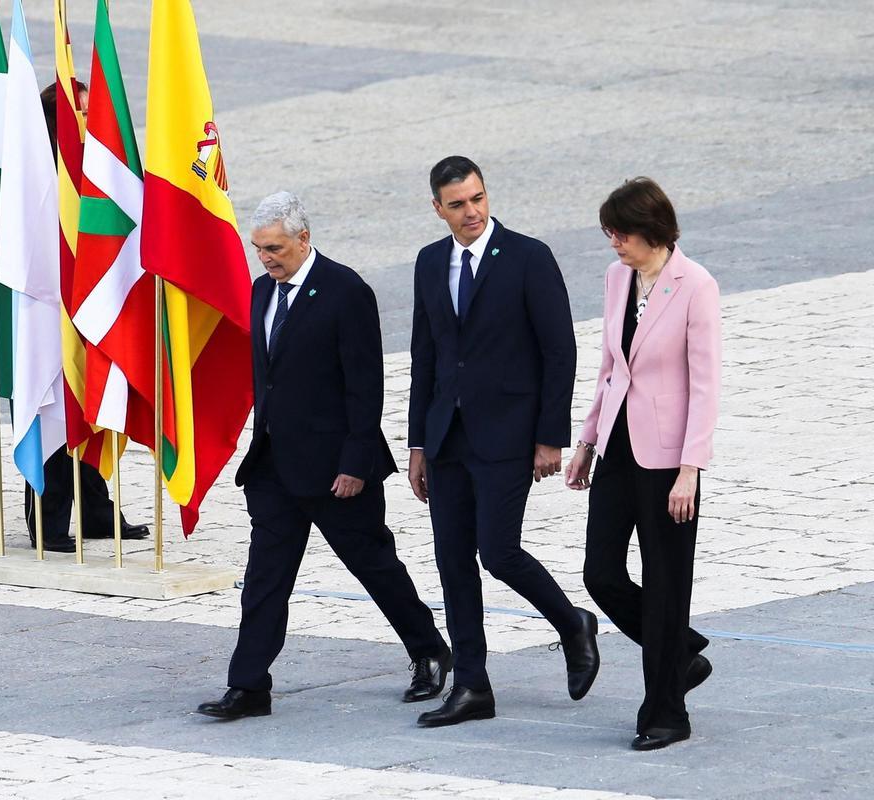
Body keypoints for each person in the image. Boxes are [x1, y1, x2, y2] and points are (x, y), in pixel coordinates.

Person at [197, 192, 451, 720]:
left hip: (336, 470)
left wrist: (356, 462)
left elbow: (365, 385)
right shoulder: (261, 292)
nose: (266, 258)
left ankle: (429, 650)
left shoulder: (345, 291)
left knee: (374, 566)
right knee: (265, 578)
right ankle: (248, 686)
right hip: (273, 468)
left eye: (275, 248)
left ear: (304, 238)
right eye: (260, 249)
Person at [407, 156, 599, 728]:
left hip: (509, 435)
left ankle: (572, 624)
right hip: (446, 438)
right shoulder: (428, 262)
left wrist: (549, 437)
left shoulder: (527, 257)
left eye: (478, 199)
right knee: (452, 562)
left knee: (498, 551)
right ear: (438, 208)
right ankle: (472, 685)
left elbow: (558, 350)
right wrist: (418, 442)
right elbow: (426, 357)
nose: (472, 212)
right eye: (458, 204)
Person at [565, 177, 721, 751]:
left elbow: (705, 385)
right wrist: (586, 441)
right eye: (609, 234)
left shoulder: (695, 285)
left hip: (668, 459)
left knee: (665, 582)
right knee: (599, 573)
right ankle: (679, 653)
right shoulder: (617, 279)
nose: (614, 244)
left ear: (652, 231)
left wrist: (690, 469)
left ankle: (665, 714)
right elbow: (611, 366)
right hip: (617, 447)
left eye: (621, 234)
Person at [23, 81, 148, 551]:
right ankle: (47, 521)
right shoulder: (40, 173)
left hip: (93, 300)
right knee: (56, 408)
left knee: (96, 403)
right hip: (50, 308)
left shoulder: (96, 166)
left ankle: (96, 512)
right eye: (82, 114)